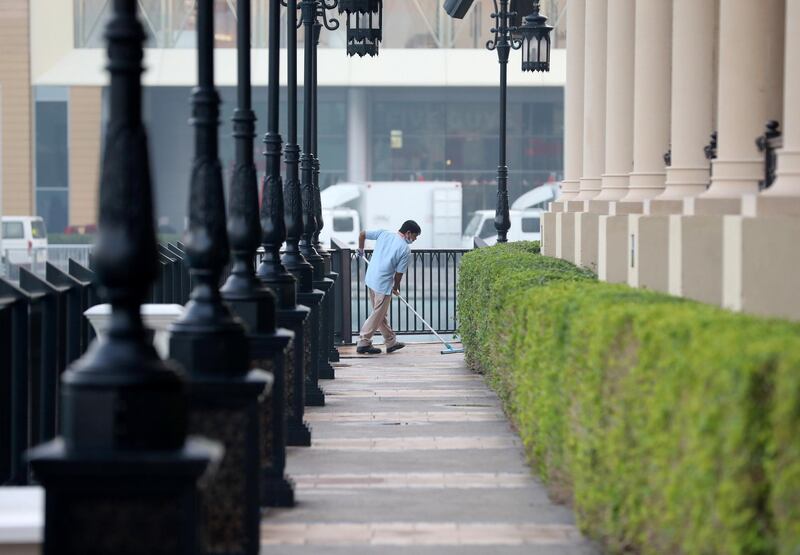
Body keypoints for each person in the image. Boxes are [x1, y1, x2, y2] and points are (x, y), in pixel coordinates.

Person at [356, 220, 421, 355]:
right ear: (408, 233)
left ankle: (391, 342)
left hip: (371, 278)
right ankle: (363, 342)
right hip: (383, 284)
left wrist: (361, 250)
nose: (415, 239)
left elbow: (362, 234)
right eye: (415, 236)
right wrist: (396, 287)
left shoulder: (383, 233)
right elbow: (399, 273)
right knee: (377, 314)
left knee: (380, 314)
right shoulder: (405, 249)